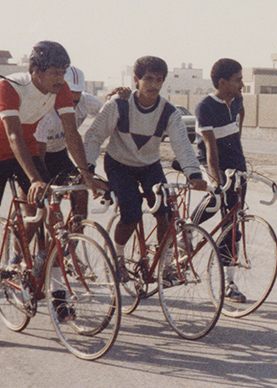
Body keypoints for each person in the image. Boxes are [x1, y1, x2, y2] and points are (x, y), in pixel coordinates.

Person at [0, 41, 101, 347]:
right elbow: (13, 135)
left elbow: (71, 133)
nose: (60, 78)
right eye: (55, 72)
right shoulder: (8, 87)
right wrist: (34, 179)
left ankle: (57, 293)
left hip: (28, 152)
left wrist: (86, 174)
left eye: (64, 72)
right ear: (35, 71)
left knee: (53, 223)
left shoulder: (61, 89)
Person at [82, 56, 202, 268]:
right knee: (131, 213)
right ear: (136, 79)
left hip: (149, 166)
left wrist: (194, 174)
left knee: (166, 212)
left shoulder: (169, 112)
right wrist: (88, 169)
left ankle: (163, 265)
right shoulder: (118, 104)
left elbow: (182, 144)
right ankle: (117, 258)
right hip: (119, 165)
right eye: (148, 79)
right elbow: (94, 136)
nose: (154, 85)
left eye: (159, 80)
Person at [194, 58, 248, 303]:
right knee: (216, 199)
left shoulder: (237, 101)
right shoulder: (205, 106)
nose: (242, 84)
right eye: (238, 80)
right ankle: (186, 230)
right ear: (223, 82)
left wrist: (238, 153)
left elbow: (239, 121)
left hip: (236, 165)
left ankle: (229, 282)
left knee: (233, 221)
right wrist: (216, 182)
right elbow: (210, 148)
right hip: (210, 161)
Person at [35, 66, 103, 223]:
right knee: (46, 206)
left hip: (59, 153)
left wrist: (117, 98)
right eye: (70, 93)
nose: (74, 99)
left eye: (77, 95)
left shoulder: (87, 101)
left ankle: (74, 234)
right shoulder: (47, 110)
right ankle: (47, 241)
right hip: (39, 154)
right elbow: (39, 150)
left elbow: (109, 113)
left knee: (80, 188)